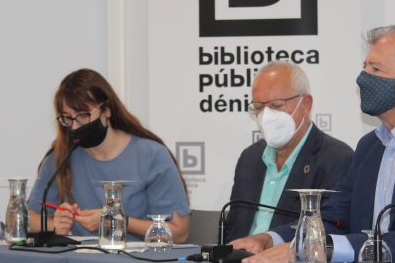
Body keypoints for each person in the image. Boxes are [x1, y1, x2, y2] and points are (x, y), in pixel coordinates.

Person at [231, 25, 395, 263]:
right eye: (364, 67)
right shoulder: (370, 146)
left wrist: (324, 248)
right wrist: (271, 239)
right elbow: (335, 217)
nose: (361, 79)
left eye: (375, 70)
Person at [27, 68, 190, 241]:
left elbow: (180, 232)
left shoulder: (151, 155)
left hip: (138, 257)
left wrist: (118, 221)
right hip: (80, 256)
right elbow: (25, 219)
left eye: (83, 115)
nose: (75, 127)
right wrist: (54, 224)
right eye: (67, 118)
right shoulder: (61, 157)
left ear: (107, 110)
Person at [224, 63, 354, 242]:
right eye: (259, 107)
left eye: (276, 105)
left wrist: (269, 241)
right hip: (240, 258)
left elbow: (329, 228)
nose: (266, 116)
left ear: (306, 104)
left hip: (291, 258)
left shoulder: (336, 159)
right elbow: (233, 229)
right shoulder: (250, 158)